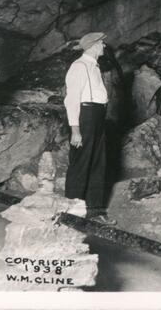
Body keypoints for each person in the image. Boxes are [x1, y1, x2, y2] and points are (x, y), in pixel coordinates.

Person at [64, 32, 116, 225]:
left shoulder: (94, 67)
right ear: (93, 45)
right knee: (81, 163)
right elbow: (72, 99)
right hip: (85, 117)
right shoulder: (79, 66)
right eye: (102, 43)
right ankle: (71, 214)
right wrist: (75, 129)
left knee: (97, 163)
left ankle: (94, 211)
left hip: (98, 116)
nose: (104, 46)